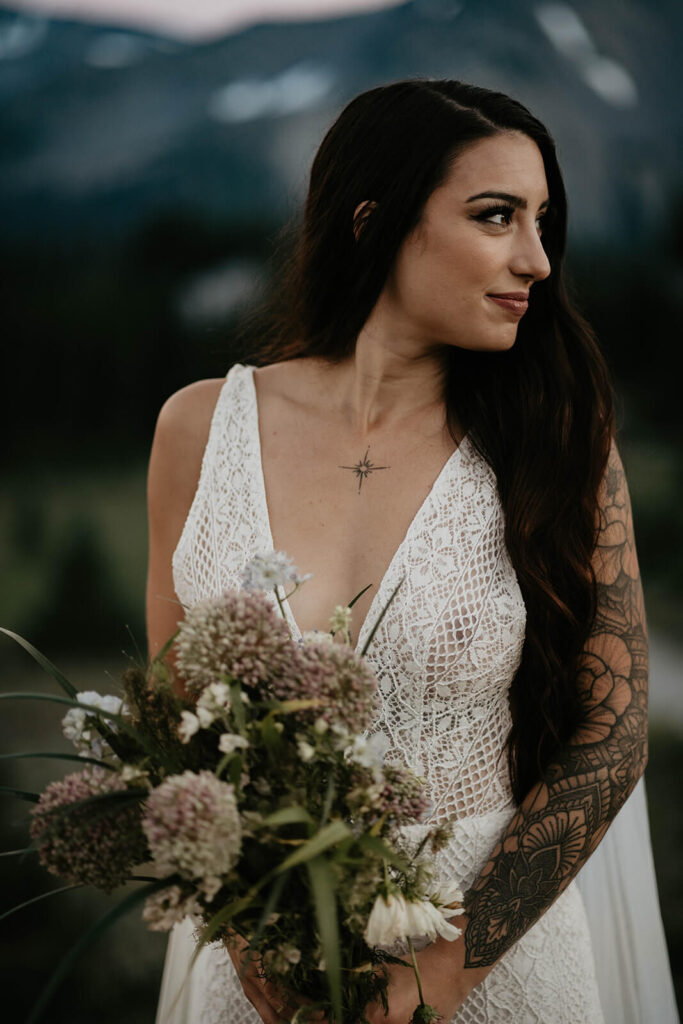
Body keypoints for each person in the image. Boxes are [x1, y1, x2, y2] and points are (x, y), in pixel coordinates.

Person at [146, 79, 678, 1024]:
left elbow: (612, 734)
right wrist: (254, 939)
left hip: (489, 958)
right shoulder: (200, 428)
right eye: (495, 216)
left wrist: (433, 978)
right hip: (261, 969)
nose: (537, 260)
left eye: (542, 221)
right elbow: (175, 721)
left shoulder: (558, 440)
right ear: (373, 222)